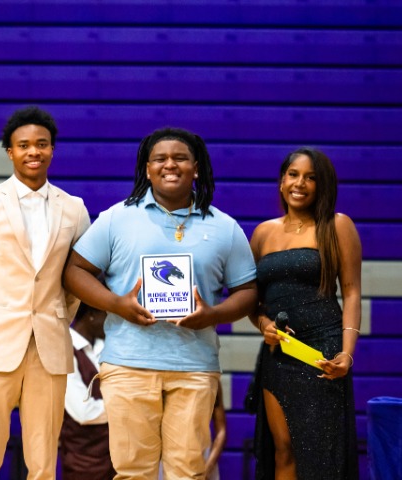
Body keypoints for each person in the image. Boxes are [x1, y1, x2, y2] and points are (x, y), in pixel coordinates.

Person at [63, 126, 257, 479]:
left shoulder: (225, 227)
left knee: (187, 472)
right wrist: (116, 304)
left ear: (196, 168)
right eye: (160, 159)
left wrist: (213, 314)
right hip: (128, 364)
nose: (170, 164)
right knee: (133, 472)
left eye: (180, 158)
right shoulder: (117, 218)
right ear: (147, 169)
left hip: (195, 366)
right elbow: (75, 271)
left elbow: (248, 291)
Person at [0, 105, 91, 479]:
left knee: (43, 464)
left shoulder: (75, 209)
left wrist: (58, 318)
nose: (34, 151)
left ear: (52, 150)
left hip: (50, 347)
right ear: (10, 152)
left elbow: (78, 279)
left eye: (42, 144)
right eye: (24, 145)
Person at [249, 147, 361, 479]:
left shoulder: (337, 225)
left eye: (310, 177)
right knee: (283, 448)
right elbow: (251, 302)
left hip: (322, 351)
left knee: (319, 454)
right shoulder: (262, 233)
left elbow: (352, 292)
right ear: (282, 181)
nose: (300, 183)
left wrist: (347, 354)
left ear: (322, 185)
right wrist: (264, 324)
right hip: (278, 354)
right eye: (293, 175)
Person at [59, 301, 115, 480]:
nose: (112, 323)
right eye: (108, 316)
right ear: (91, 315)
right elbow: (83, 411)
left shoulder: (108, 348)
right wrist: (124, 406)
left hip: (114, 461)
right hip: (83, 463)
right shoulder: (64, 351)